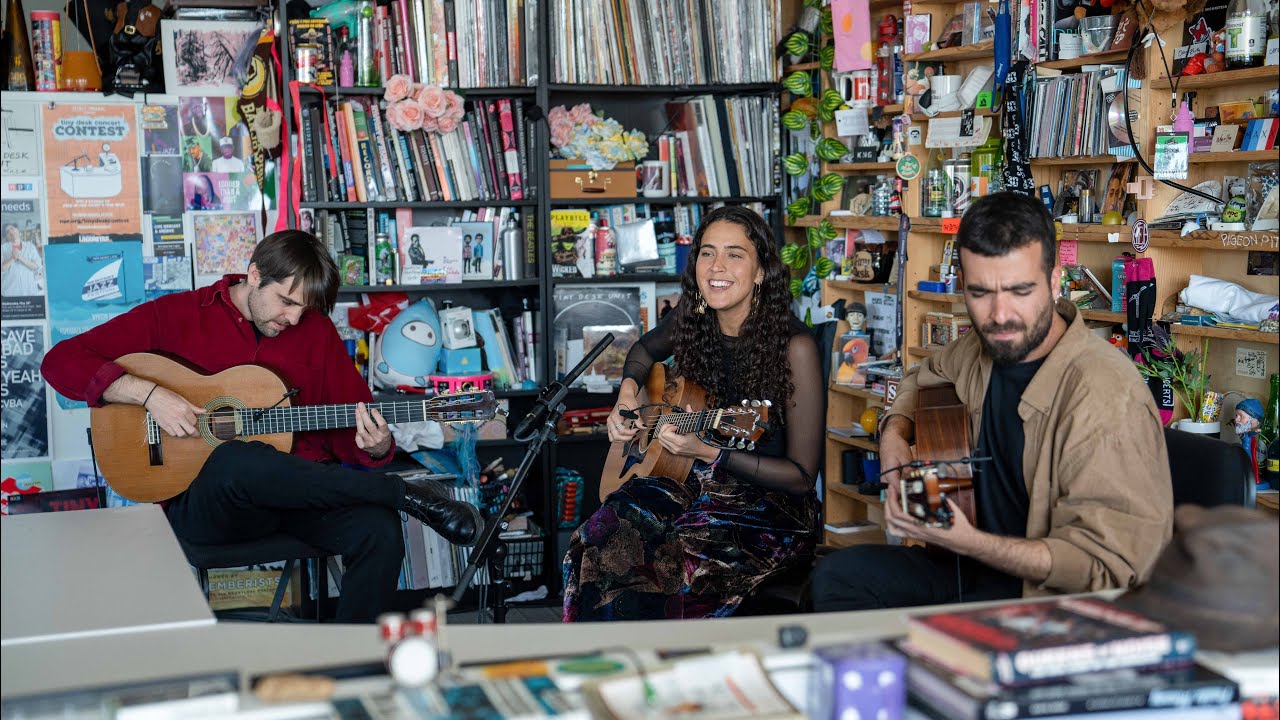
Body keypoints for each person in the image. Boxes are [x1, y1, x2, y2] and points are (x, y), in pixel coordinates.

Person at [41, 230, 482, 623]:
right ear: (254, 274)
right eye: (286, 302)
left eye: (302, 309)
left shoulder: (315, 331)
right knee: (236, 458)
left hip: (300, 502)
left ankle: (354, 668)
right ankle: (403, 493)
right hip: (212, 511)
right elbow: (60, 362)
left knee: (379, 530)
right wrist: (152, 396)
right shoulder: (176, 315)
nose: (292, 319)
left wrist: (375, 445)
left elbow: (351, 428)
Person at [811, 192, 1173, 612]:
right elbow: (922, 379)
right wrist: (894, 433)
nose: (999, 314)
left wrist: (972, 542)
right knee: (836, 578)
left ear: (1056, 281)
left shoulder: (1105, 396)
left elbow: (1110, 566)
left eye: (1020, 291)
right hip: (964, 566)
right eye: (981, 292)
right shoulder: (984, 347)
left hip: (1047, 599)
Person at [562, 205, 824, 622]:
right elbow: (644, 350)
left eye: (735, 254)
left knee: (659, 560)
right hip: (692, 481)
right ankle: (606, 669)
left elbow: (801, 477)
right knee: (601, 536)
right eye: (707, 252)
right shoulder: (696, 317)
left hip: (769, 513)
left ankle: (664, 671)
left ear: (760, 272)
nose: (717, 267)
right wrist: (627, 393)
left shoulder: (795, 347)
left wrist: (712, 453)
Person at [2, 223, 43, 297]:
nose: (10, 232)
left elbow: (36, 266)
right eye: (7, 231)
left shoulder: (30, 246)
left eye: (12, 228)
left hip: (30, 291)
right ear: (6, 237)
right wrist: (12, 258)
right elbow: (2, 268)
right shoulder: (3, 248)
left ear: (17, 230)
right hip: (10, 292)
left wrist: (20, 257)